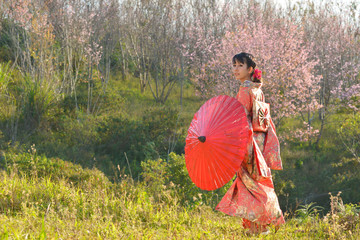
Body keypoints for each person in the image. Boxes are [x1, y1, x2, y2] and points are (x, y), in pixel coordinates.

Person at [215, 52, 285, 235]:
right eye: (234, 65)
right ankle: (262, 224)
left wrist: (232, 140)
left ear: (250, 69)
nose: (236, 69)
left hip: (248, 143)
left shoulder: (245, 90)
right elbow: (265, 120)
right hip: (259, 141)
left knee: (249, 183)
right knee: (258, 181)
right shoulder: (258, 89)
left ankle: (257, 226)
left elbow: (241, 120)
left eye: (240, 65)